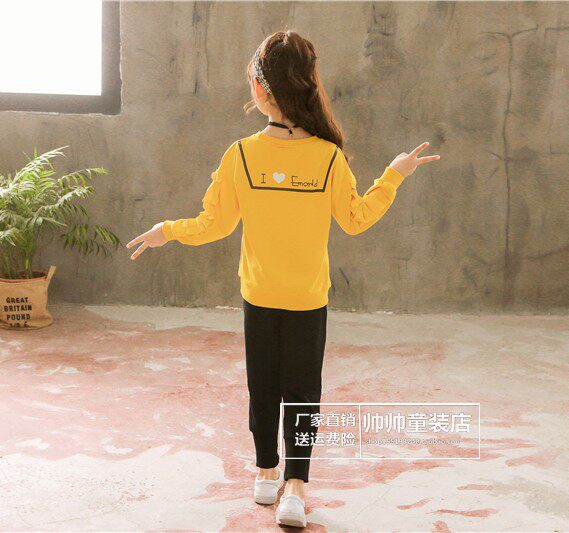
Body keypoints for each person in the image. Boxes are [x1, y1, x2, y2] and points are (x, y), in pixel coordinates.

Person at [126, 30, 439, 528]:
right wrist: (394, 175)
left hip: (262, 295)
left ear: (259, 87)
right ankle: (292, 482)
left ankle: (270, 473)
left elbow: (213, 225)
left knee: (263, 388)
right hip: (307, 299)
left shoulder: (242, 155)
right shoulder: (327, 156)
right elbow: (357, 218)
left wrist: (169, 230)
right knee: (303, 394)